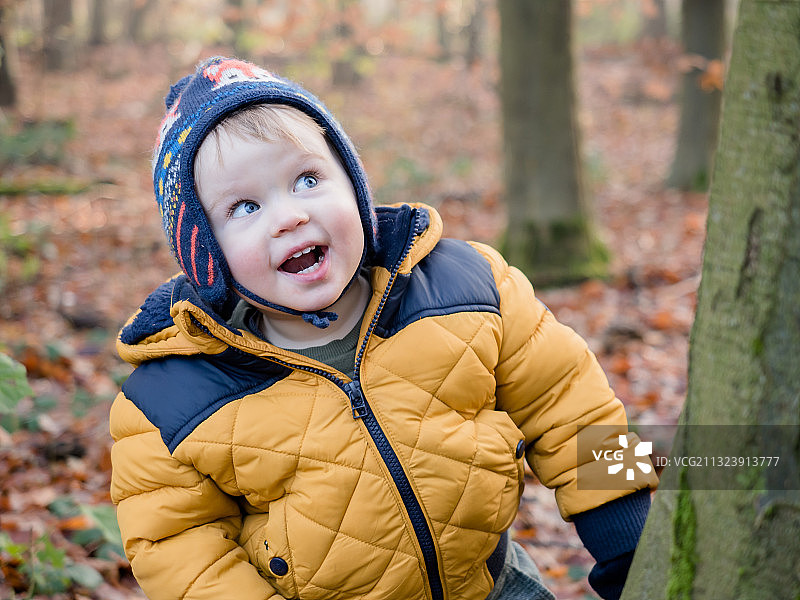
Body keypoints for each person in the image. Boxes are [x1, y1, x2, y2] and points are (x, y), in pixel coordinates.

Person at [110, 56, 658, 600]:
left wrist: (632, 542)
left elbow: (573, 408)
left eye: (306, 179)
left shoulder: (467, 287)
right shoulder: (170, 398)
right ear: (205, 251)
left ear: (352, 184)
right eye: (246, 206)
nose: (289, 216)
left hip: (490, 584)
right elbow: (179, 550)